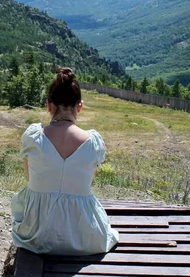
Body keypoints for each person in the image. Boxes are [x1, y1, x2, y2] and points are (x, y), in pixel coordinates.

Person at [10, 67, 119, 255]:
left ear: (48, 106)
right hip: (86, 237)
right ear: (80, 106)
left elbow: (30, 179)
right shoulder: (93, 143)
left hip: (36, 234)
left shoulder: (33, 137)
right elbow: (86, 183)